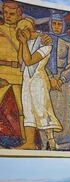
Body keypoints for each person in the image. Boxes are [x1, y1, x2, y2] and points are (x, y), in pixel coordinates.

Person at [15, 18, 62, 150]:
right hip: (27, 79)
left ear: (30, 29)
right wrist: (22, 43)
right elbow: (21, 61)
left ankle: (51, 141)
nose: (22, 33)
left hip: (38, 81)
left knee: (42, 109)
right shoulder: (26, 42)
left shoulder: (45, 43)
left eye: (24, 29)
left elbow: (29, 61)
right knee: (28, 109)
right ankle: (30, 143)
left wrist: (24, 43)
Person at [46, 10, 70, 150]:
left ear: (64, 25)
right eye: (54, 23)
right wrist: (50, 77)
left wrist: (60, 79)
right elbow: (42, 59)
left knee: (65, 110)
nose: (56, 27)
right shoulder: (45, 39)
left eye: (59, 24)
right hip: (47, 77)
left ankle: (66, 140)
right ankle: (49, 139)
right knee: (49, 108)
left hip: (64, 80)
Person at [0, 1, 24, 143]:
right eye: (5, 13)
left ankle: (26, 140)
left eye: (12, 14)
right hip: (2, 72)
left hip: (19, 74)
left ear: (19, 15)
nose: (8, 16)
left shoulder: (24, 32)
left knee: (24, 110)